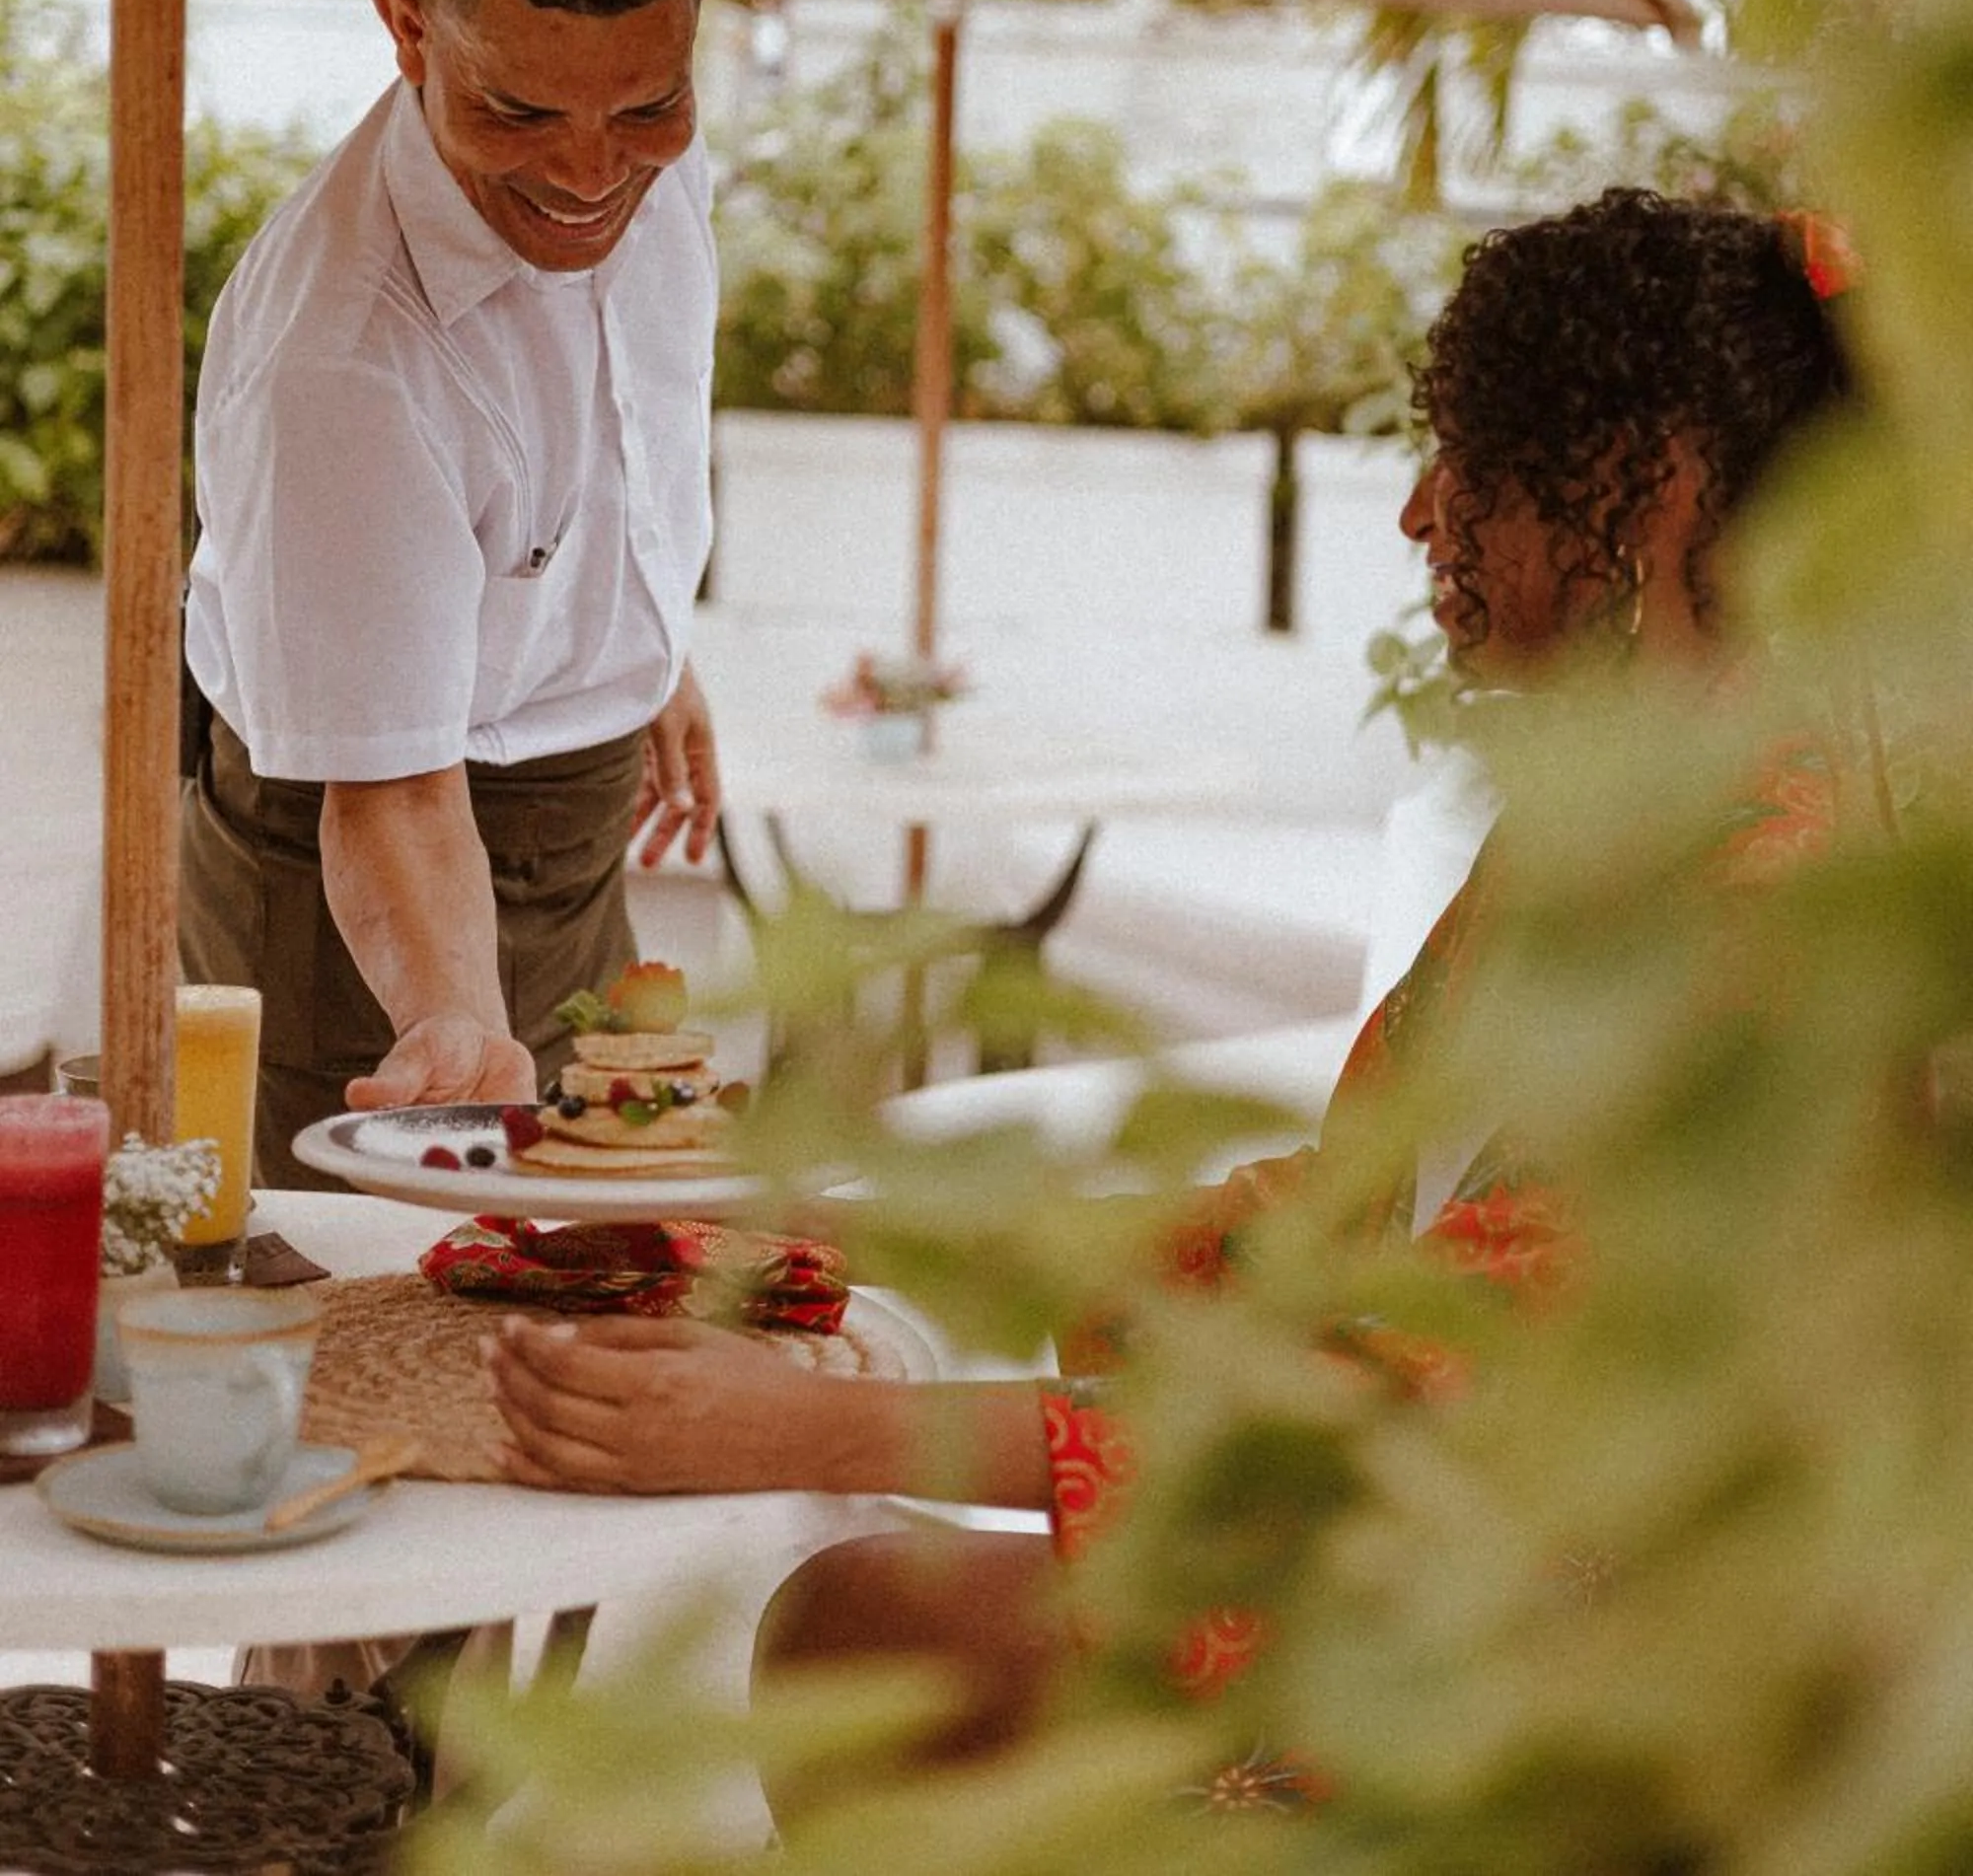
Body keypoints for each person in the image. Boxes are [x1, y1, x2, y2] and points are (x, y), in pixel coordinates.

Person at [483, 187, 1857, 1783]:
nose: (1421, 517)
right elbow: (1337, 1228)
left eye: (1473, 466)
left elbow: (1408, 1401)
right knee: (853, 1621)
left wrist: (817, 1425)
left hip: (1577, 1668)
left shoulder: (1768, 902)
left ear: (1655, 492)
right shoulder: (1637, 811)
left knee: (865, 1634)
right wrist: (866, 1229)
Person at [179, 0, 724, 1185]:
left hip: (578, 840)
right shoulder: (341, 363)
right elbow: (392, 794)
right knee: (370, 1335)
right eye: (519, 109)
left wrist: (642, 639)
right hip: (356, 887)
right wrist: (455, 1020)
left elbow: (609, 435)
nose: (591, 173)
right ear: (408, 33)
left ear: (693, 16)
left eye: (648, 106)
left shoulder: (629, 124)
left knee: (581, 1300)